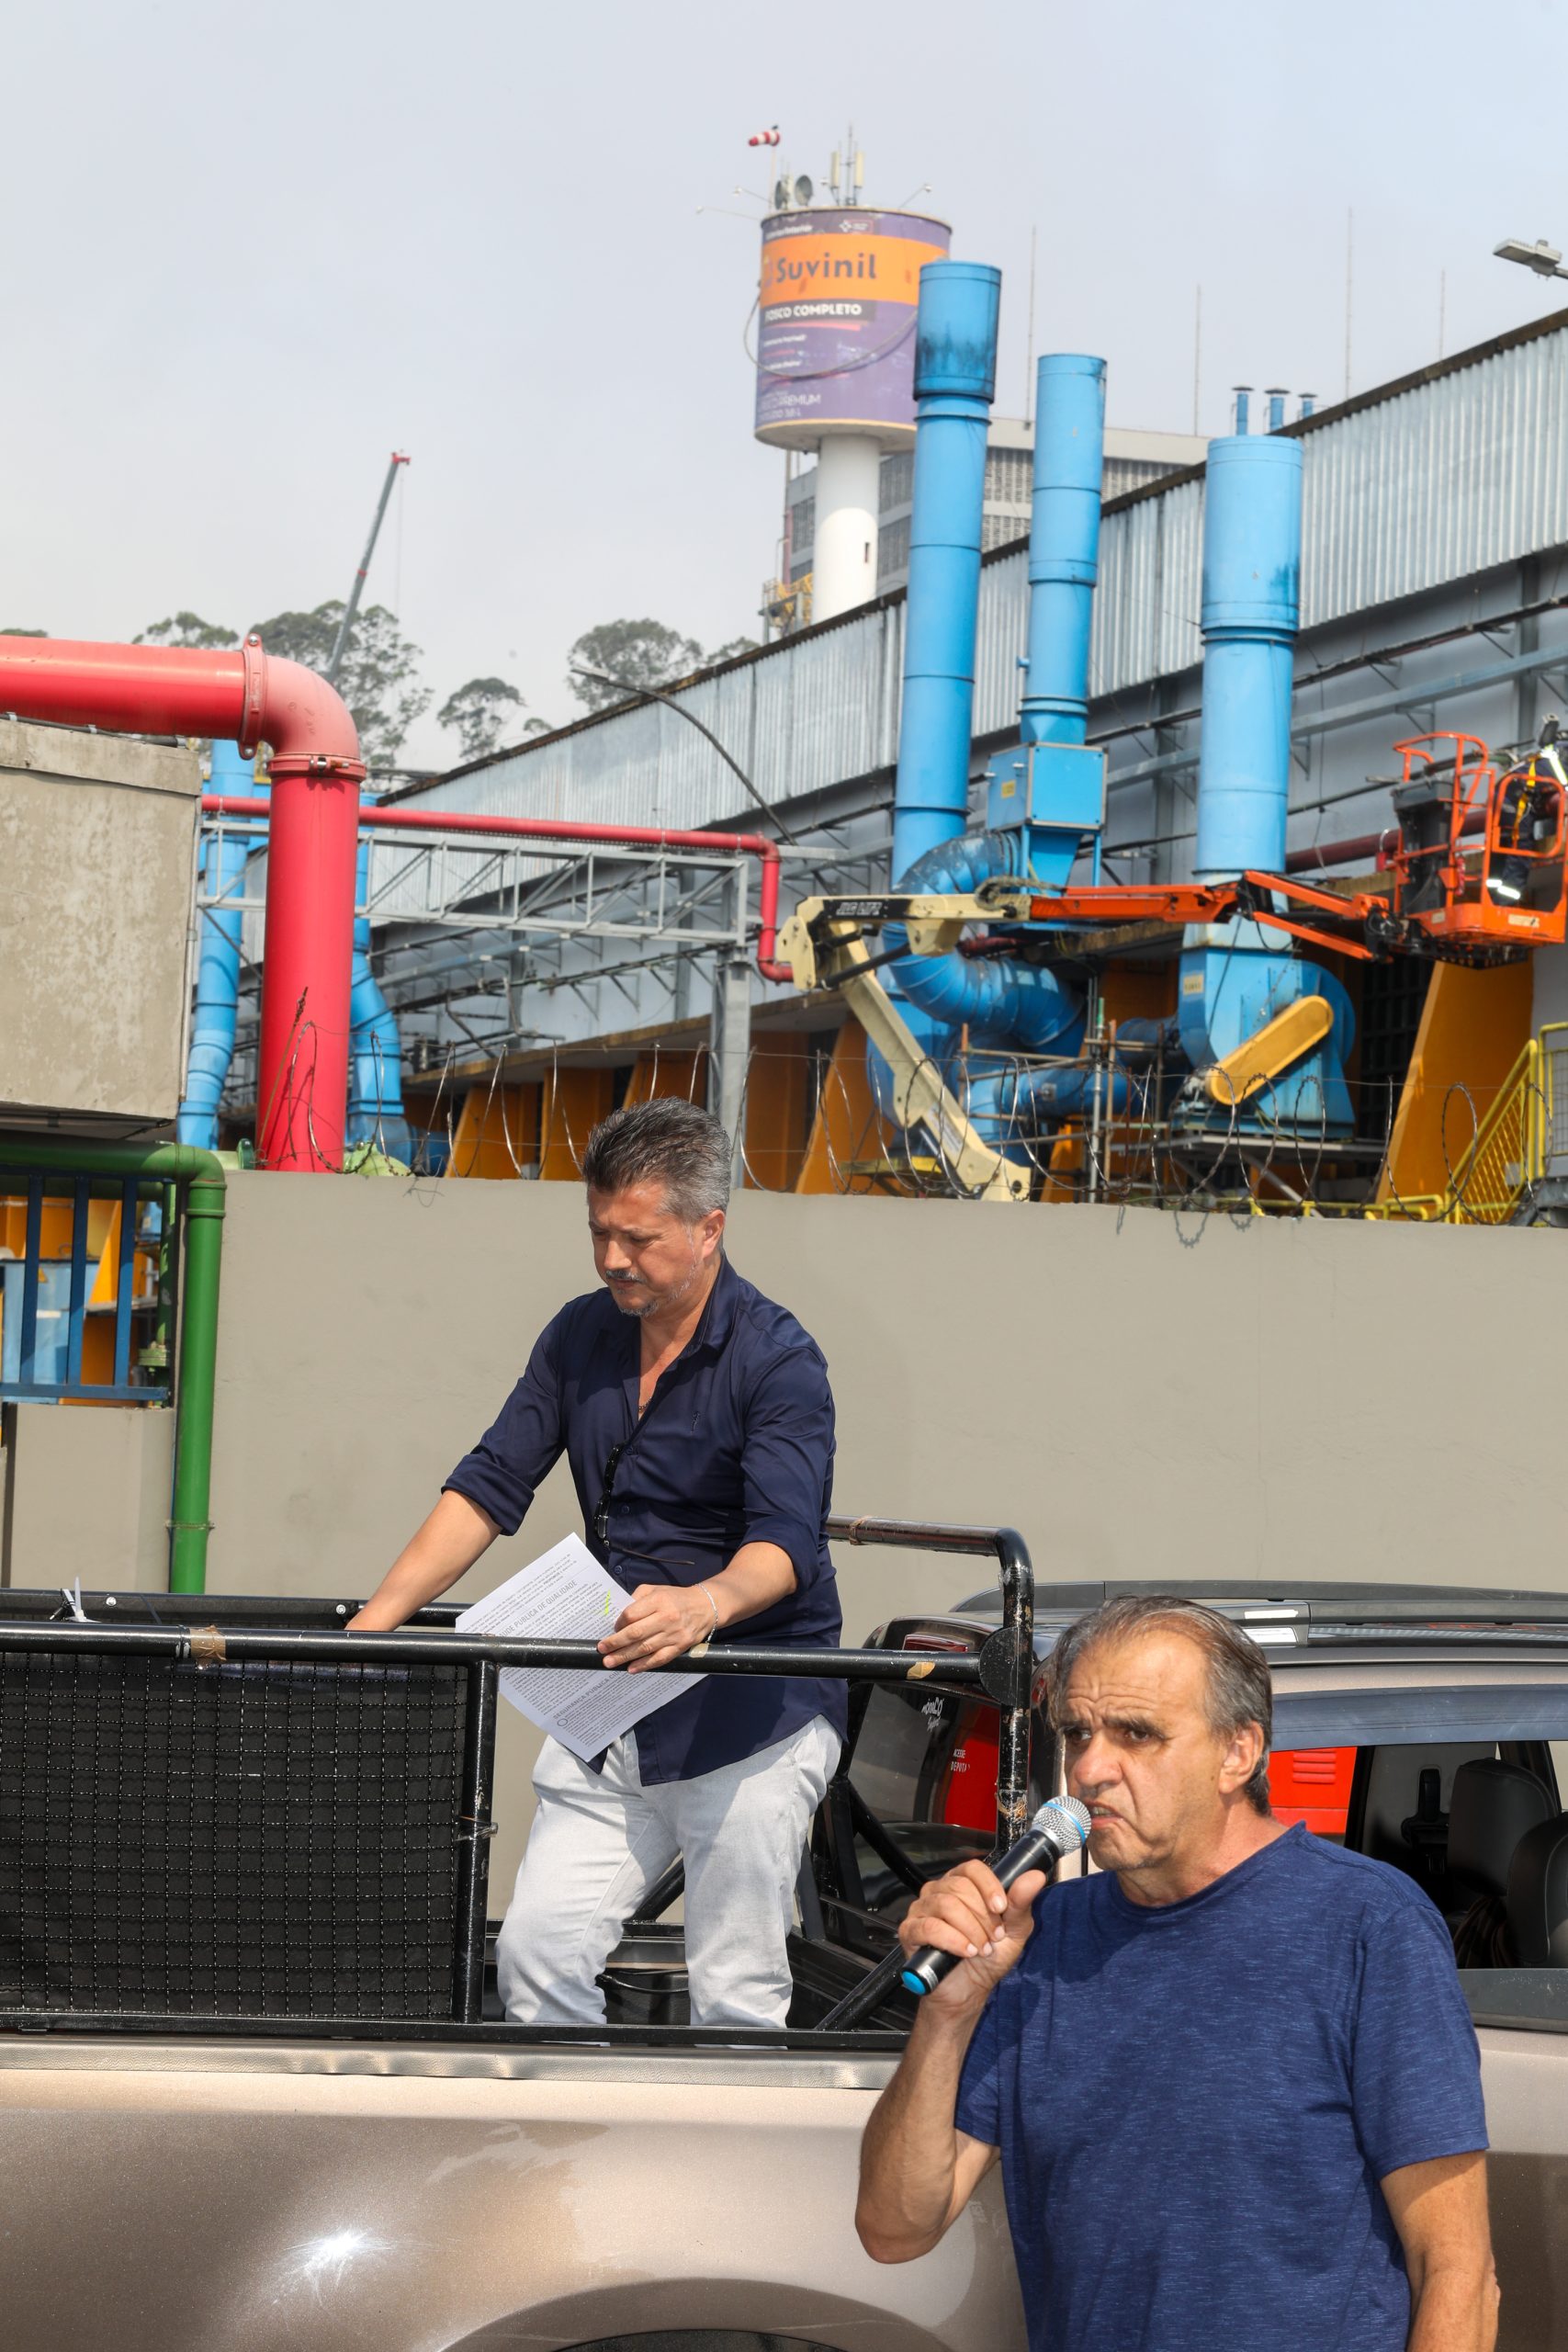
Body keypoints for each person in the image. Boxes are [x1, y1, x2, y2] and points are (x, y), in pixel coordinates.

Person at [856, 1595, 1497, 2352]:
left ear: (1238, 1753)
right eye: (1077, 1733)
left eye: (1137, 1734)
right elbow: (895, 2229)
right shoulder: (1043, 1939)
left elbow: (1457, 2270)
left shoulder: (1365, 1925)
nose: (1090, 1769)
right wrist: (949, 2013)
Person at [349, 1097, 844, 2031]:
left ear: (709, 1230)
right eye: (598, 1232)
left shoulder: (780, 1361)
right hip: (614, 1703)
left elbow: (787, 1544)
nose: (613, 1257)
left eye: (638, 1237)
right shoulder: (580, 1332)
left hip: (753, 1713)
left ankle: (725, 2174)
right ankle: (578, 2169)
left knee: (736, 1991)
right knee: (535, 1957)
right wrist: (376, 1623)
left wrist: (703, 1604)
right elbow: (490, 1485)